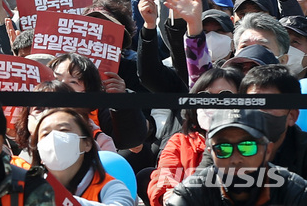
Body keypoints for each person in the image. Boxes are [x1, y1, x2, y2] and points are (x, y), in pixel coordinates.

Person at [165, 109, 307, 205]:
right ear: (210, 152)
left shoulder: (294, 192)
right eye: (223, 149)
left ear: (268, 150)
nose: (235, 159)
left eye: (247, 147)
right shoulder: (190, 195)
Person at [147, 67, 243, 206]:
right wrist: (170, 194)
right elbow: (165, 175)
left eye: (225, 95)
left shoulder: (254, 142)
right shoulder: (180, 142)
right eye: (205, 96)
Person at [31, 108, 134, 205]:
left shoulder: (112, 188)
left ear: (87, 143)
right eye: (45, 134)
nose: (53, 139)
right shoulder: (27, 187)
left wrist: (59, 198)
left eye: (63, 130)